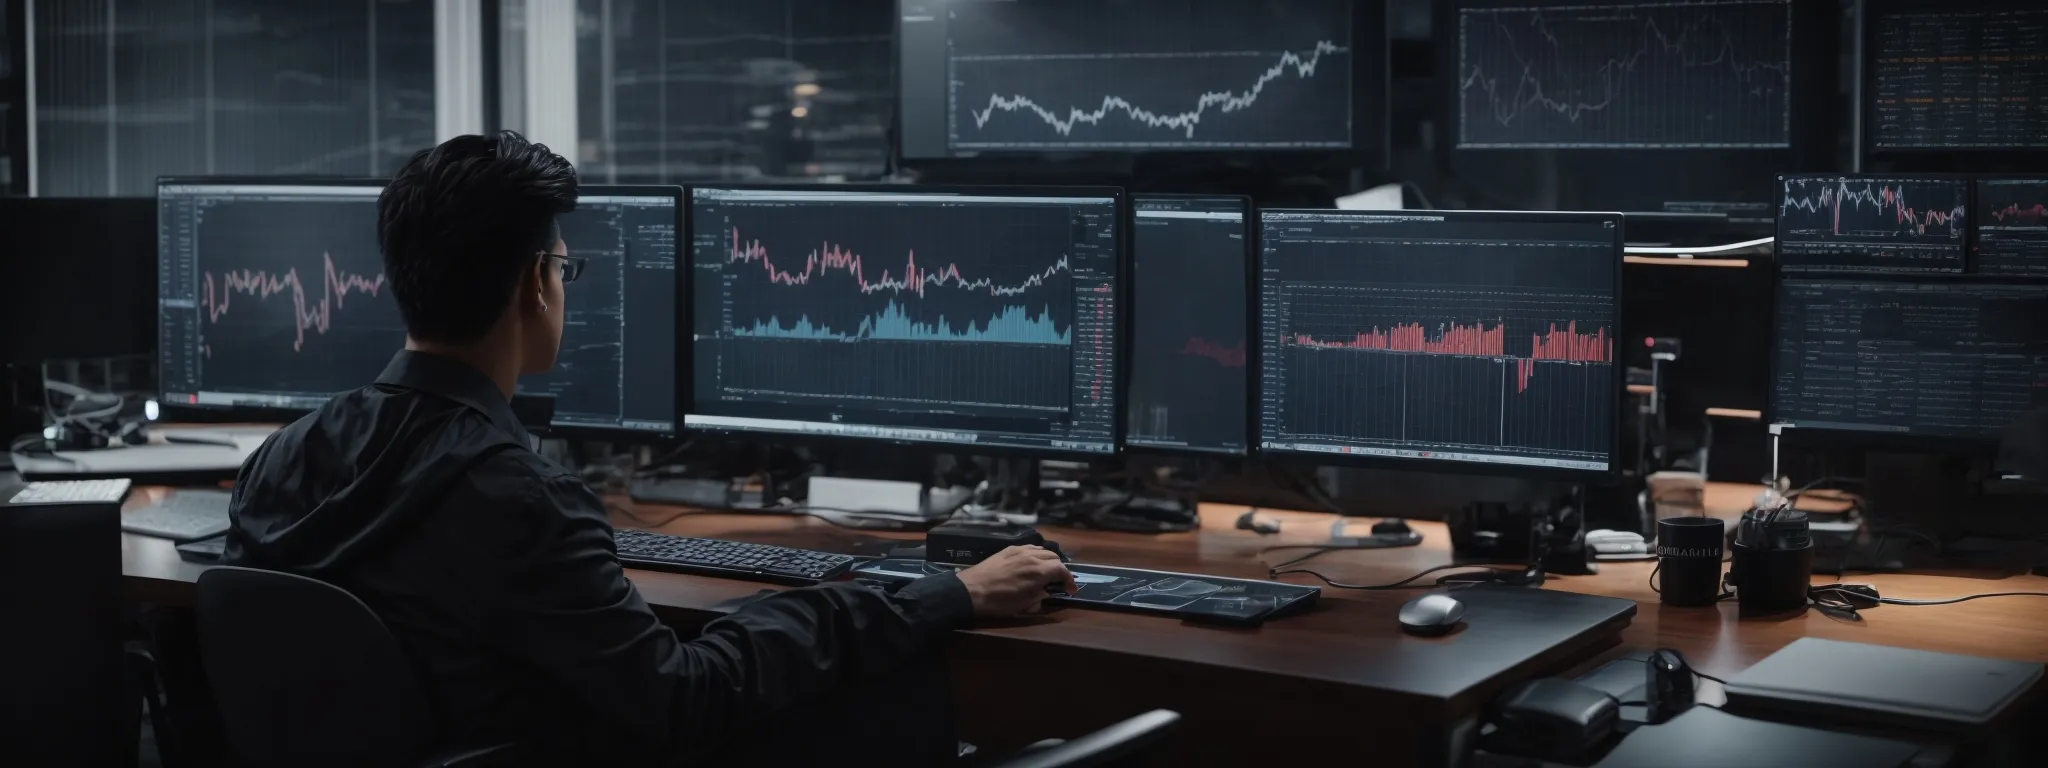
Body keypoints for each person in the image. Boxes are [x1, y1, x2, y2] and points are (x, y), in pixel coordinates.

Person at [224, 131, 1076, 765]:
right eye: (564, 266)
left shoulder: (286, 459)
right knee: (897, 709)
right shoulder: (519, 500)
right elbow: (683, 699)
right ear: (536, 283)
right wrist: (939, 597)